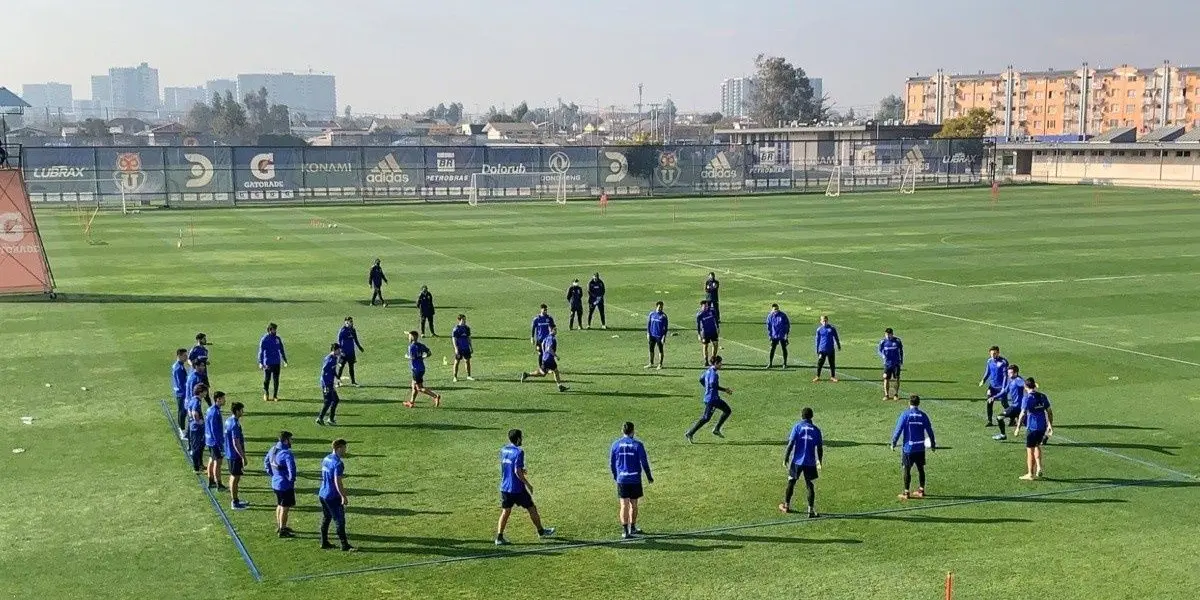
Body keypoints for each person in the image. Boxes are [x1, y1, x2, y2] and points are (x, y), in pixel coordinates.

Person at [495, 429, 557, 545]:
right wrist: (527, 484)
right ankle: (541, 531)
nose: (522, 439)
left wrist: (519, 469)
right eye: (521, 437)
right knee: (531, 508)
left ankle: (499, 537)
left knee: (506, 511)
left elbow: (508, 466)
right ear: (518, 439)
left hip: (504, 487)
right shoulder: (519, 452)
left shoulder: (504, 450)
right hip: (517, 489)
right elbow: (516, 471)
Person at [610, 422, 653, 538]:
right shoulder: (638, 445)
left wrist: (615, 475)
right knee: (634, 504)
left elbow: (612, 463)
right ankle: (632, 527)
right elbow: (644, 462)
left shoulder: (615, 445)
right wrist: (649, 476)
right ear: (633, 431)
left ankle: (625, 531)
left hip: (622, 479)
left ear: (622, 431)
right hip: (634, 479)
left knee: (624, 505)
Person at [891, 395, 936, 500]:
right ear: (918, 403)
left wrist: (893, 443)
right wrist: (933, 444)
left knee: (907, 470)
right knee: (921, 469)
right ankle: (921, 490)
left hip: (908, 449)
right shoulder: (923, 415)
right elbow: (930, 430)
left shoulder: (905, 415)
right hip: (920, 447)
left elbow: (898, 430)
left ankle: (906, 493)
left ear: (909, 403)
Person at [780, 407, 823, 517]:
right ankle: (810, 510)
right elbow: (819, 448)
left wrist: (786, 458)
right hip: (810, 462)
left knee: (791, 482)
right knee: (810, 485)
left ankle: (786, 505)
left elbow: (791, 444)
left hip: (797, 461)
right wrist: (819, 461)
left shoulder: (797, 427)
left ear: (802, 416)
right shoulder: (816, 430)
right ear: (811, 417)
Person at [1012, 378, 1054, 480]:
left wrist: (1018, 427)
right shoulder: (1042, 396)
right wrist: (1050, 425)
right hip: (1042, 427)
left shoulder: (1026, 398)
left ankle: (1030, 474)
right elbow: (1049, 412)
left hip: (1032, 427)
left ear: (1025, 387)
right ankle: (1039, 467)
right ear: (1034, 385)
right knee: (1037, 446)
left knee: (1030, 450)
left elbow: (1022, 414)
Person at [685, 355, 732, 442]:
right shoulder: (714, 374)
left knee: (727, 410)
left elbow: (701, 379)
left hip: (710, 398)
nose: (721, 364)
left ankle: (716, 429)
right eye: (720, 363)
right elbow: (712, 383)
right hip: (712, 400)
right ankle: (690, 433)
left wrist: (707, 388)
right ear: (716, 363)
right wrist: (725, 390)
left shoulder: (708, 371)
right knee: (706, 418)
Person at [318, 439, 354, 551]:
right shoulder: (338, 463)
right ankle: (344, 545)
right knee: (339, 520)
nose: (345, 450)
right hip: (332, 495)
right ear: (339, 448)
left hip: (322, 493)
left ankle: (324, 542)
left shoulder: (326, 458)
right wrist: (343, 496)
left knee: (326, 518)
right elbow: (337, 481)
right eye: (344, 448)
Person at [265, 431, 297, 538]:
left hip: (275, 482)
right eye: (290, 439)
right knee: (285, 507)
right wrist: (291, 481)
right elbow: (292, 470)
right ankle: (282, 529)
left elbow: (266, 463)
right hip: (284, 484)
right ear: (286, 440)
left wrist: (273, 475)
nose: (291, 441)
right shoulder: (287, 453)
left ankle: (280, 525)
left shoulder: (273, 449)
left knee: (279, 505)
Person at [521, 327, 568, 392]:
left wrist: (544, 353)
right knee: (554, 371)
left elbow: (543, 344)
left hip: (545, 358)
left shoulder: (546, 337)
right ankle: (560, 386)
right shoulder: (552, 338)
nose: (556, 331)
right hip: (550, 359)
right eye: (555, 330)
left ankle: (527, 374)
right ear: (552, 330)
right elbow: (549, 348)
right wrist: (556, 356)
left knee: (546, 373)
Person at [405, 331, 442, 407]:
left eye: (409, 336)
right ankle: (411, 403)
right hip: (421, 368)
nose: (408, 338)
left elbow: (412, 358)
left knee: (419, 388)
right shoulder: (421, 345)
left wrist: (406, 356)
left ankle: (435, 396)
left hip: (416, 369)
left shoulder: (411, 347)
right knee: (414, 386)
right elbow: (429, 353)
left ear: (412, 337)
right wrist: (423, 357)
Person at [223, 402, 249, 510]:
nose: (243, 412)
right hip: (234, 456)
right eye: (241, 410)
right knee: (235, 477)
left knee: (234, 477)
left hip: (230, 454)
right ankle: (234, 502)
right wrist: (243, 456)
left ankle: (236, 500)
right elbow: (236, 442)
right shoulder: (234, 424)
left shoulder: (229, 420)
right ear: (237, 411)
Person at [993, 364, 1026, 441]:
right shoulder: (1011, 381)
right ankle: (1043, 437)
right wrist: (994, 397)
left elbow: (1026, 386)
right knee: (1029, 425)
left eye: (1010, 373)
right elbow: (1005, 391)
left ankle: (1003, 435)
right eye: (1008, 373)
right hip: (1017, 407)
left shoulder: (1018, 380)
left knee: (999, 417)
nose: (1008, 374)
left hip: (1017, 407)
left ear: (1016, 373)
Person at [980, 346, 1010, 426]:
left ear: (998, 353)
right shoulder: (989, 361)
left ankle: (1013, 418)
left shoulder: (1003, 362)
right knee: (989, 402)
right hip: (992, 387)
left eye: (994, 353)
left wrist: (1003, 387)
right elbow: (988, 372)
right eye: (991, 353)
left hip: (1001, 387)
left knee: (1004, 404)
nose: (993, 355)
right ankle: (990, 421)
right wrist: (983, 380)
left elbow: (1005, 376)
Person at [258, 323, 288, 402]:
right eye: (274, 329)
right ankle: (266, 393)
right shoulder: (265, 339)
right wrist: (260, 362)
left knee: (276, 379)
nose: (275, 331)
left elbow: (281, 349)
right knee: (267, 379)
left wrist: (284, 360)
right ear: (270, 330)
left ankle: (275, 396)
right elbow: (261, 351)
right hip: (268, 362)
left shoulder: (277, 339)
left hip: (276, 362)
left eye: (275, 329)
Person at [204, 391, 227, 490]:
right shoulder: (215, 412)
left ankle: (211, 481)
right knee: (218, 462)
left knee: (211, 459)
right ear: (218, 399)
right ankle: (219, 484)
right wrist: (219, 444)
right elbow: (214, 430)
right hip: (215, 442)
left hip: (209, 440)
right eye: (223, 398)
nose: (225, 400)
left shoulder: (210, 409)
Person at [317, 343, 343, 426]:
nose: (340, 351)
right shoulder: (330, 359)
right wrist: (325, 386)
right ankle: (320, 418)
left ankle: (330, 419)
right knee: (328, 401)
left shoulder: (334, 358)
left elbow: (332, 370)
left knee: (335, 400)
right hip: (326, 384)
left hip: (330, 383)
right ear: (334, 350)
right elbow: (324, 371)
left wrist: (337, 377)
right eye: (338, 350)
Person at [184, 383, 208, 473]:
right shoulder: (197, 401)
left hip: (193, 426)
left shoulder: (193, 399)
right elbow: (194, 412)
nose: (206, 393)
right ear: (200, 392)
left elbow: (189, 411)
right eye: (205, 391)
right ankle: (196, 468)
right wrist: (198, 421)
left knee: (200, 446)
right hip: (196, 428)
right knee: (196, 448)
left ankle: (200, 464)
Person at [335, 317, 364, 387]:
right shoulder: (343, 330)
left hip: (351, 352)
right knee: (341, 367)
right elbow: (339, 341)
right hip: (344, 353)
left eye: (352, 321)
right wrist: (340, 351)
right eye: (350, 321)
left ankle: (353, 382)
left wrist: (359, 347)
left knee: (351, 367)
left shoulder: (353, 330)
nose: (351, 322)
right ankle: (338, 382)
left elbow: (355, 339)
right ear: (346, 322)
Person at [813, 315, 842, 382]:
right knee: (820, 363)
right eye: (823, 321)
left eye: (825, 321)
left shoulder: (832, 329)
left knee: (832, 363)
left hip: (830, 349)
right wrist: (817, 349)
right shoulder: (819, 330)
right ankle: (817, 376)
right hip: (822, 349)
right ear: (821, 321)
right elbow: (817, 340)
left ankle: (833, 376)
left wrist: (838, 345)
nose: (824, 322)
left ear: (827, 321)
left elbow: (836, 337)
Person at [878, 328, 904, 401]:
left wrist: (901, 360)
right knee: (886, 378)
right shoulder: (883, 342)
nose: (887, 336)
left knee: (896, 378)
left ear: (892, 334)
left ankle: (896, 394)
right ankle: (886, 395)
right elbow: (879, 350)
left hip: (896, 363)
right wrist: (882, 355)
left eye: (889, 334)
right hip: (887, 364)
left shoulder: (897, 341)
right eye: (886, 334)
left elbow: (901, 351)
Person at [530, 304, 556, 369]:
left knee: (547, 354)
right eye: (544, 310)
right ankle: (541, 367)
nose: (545, 311)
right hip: (539, 340)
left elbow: (553, 327)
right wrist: (532, 338)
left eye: (546, 310)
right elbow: (533, 328)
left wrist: (553, 334)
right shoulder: (536, 319)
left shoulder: (549, 318)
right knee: (540, 353)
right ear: (541, 310)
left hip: (547, 340)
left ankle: (547, 367)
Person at [765, 304, 791, 369]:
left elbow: (787, 325)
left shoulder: (783, 315)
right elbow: (769, 327)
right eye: (775, 309)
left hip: (782, 335)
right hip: (774, 335)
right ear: (772, 309)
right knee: (772, 349)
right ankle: (770, 363)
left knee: (784, 349)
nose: (776, 310)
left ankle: (785, 363)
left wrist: (786, 335)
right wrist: (770, 336)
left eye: (777, 309)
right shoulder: (770, 316)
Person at [451, 314, 475, 382]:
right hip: (459, 348)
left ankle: (469, 376)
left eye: (465, 319)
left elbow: (468, 338)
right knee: (457, 362)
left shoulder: (467, 328)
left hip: (466, 348)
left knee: (467, 361)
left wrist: (471, 347)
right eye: (463, 319)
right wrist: (456, 348)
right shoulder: (456, 329)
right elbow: (454, 339)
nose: (465, 321)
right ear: (459, 320)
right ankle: (455, 377)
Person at [695, 300, 719, 366]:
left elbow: (716, 319)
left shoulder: (712, 311)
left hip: (713, 331)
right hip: (705, 332)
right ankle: (706, 360)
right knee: (705, 346)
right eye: (704, 306)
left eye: (707, 305)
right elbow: (698, 325)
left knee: (715, 344)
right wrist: (699, 334)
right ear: (701, 307)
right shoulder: (699, 315)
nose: (706, 307)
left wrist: (718, 327)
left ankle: (713, 358)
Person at [646, 301, 669, 369]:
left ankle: (660, 364)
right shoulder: (652, 314)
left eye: (662, 307)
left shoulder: (663, 316)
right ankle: (651, 363)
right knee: (651, 349)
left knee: (660, 350)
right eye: (659, 307)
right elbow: (648, 324)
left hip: (659, 336)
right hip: (652, 335)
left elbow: (666, 328)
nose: (660, 308)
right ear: (656, 306)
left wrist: (664, 336)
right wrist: (648, 333)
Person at [172, 348, 189, 437]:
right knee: (182, 412)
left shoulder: (178, 365)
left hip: (180, 392)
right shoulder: (179, 368)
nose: (186, 357)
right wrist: (186, 394)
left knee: (182, 411)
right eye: (185, 355)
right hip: (182, 393)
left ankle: (181, 428)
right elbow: (181, 383)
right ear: (179, 356)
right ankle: (182, 430)